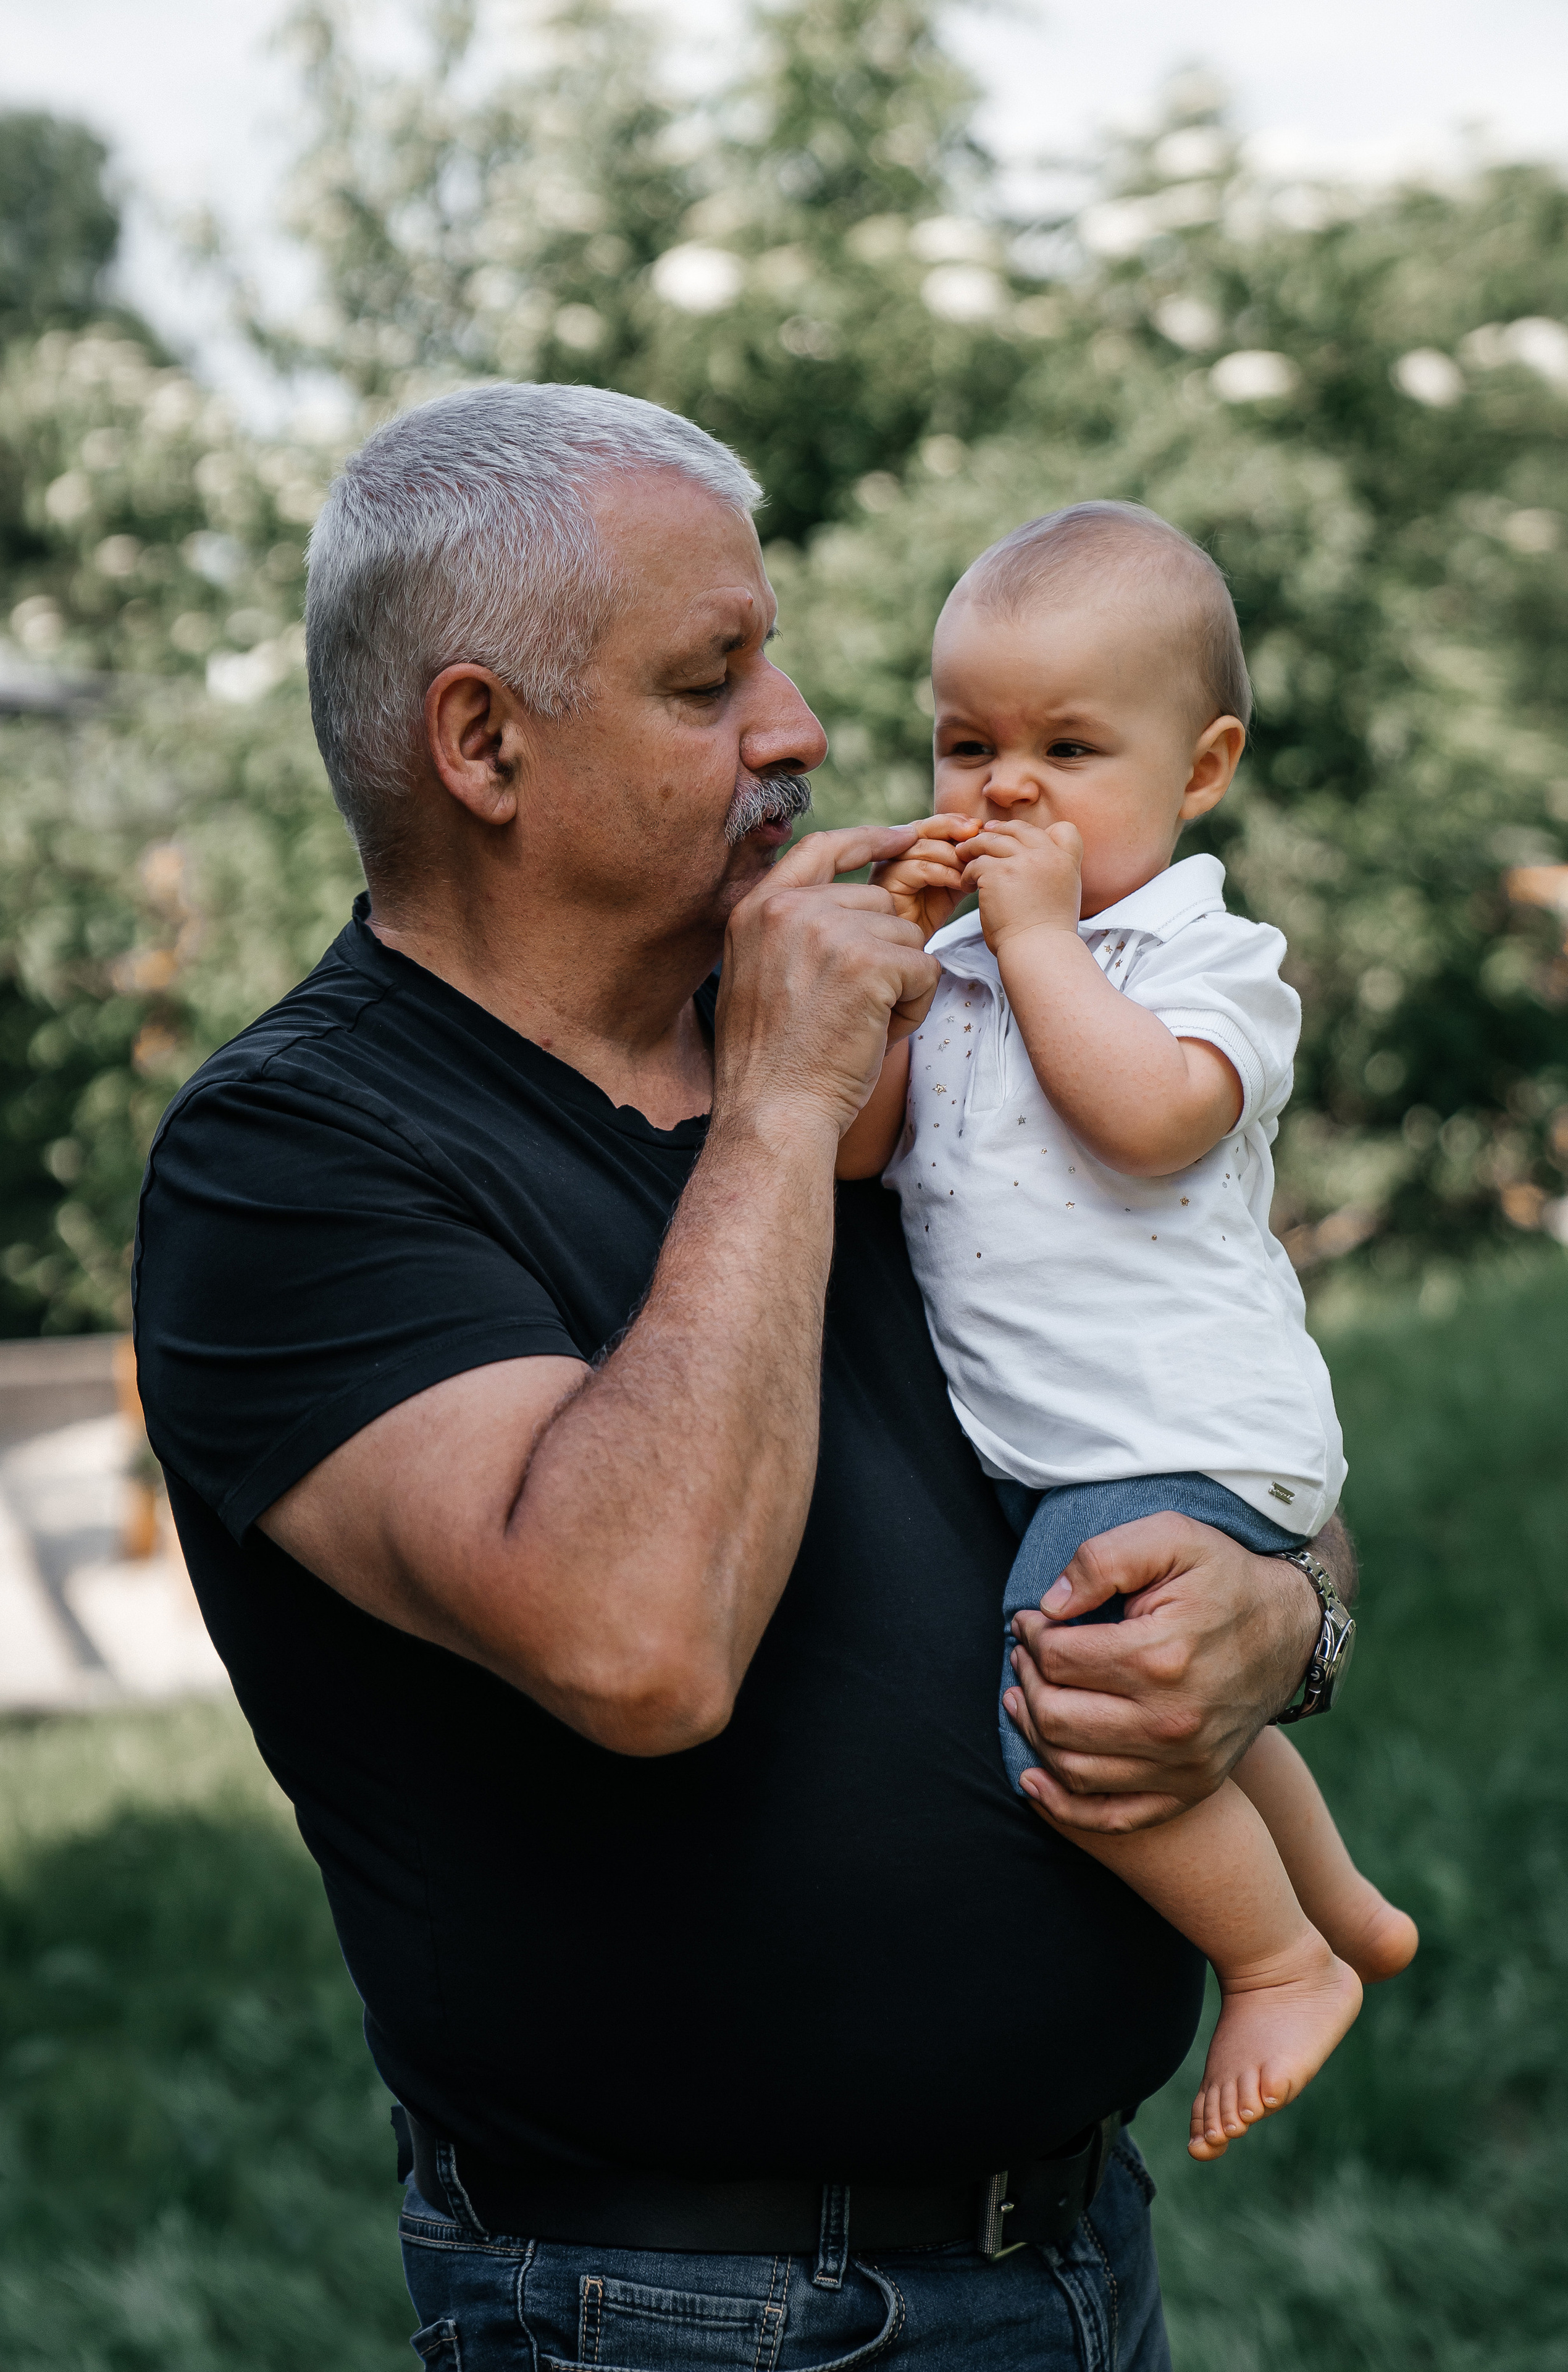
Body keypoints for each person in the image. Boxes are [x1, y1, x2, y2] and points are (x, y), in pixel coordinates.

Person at [133, 386, 1359, 2370]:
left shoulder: (887, 1020)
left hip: (1070, 2252)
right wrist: (781, 1104)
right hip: (687, 2313)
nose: (798, 725)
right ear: (482, 743)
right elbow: (637, 1643)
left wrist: (1284, 1617)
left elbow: (1190, 1400)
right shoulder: (298, 1161)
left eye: (775, 658)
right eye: (715, 680)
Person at [837, 501, 1417, 2166]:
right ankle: (1342, 1903)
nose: (1004, 789)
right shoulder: (959, 964)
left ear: (1202, 768)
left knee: (1070, 1704)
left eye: (1069, 749)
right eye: (967, 745)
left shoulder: (1201, 956)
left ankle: (1277, 1959)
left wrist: (1022, 942)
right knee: (1180, 1705)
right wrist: (889, 965)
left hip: (1181, 1423)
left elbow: (1154, 1121)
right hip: (1081, 1438)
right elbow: (865, 1141)